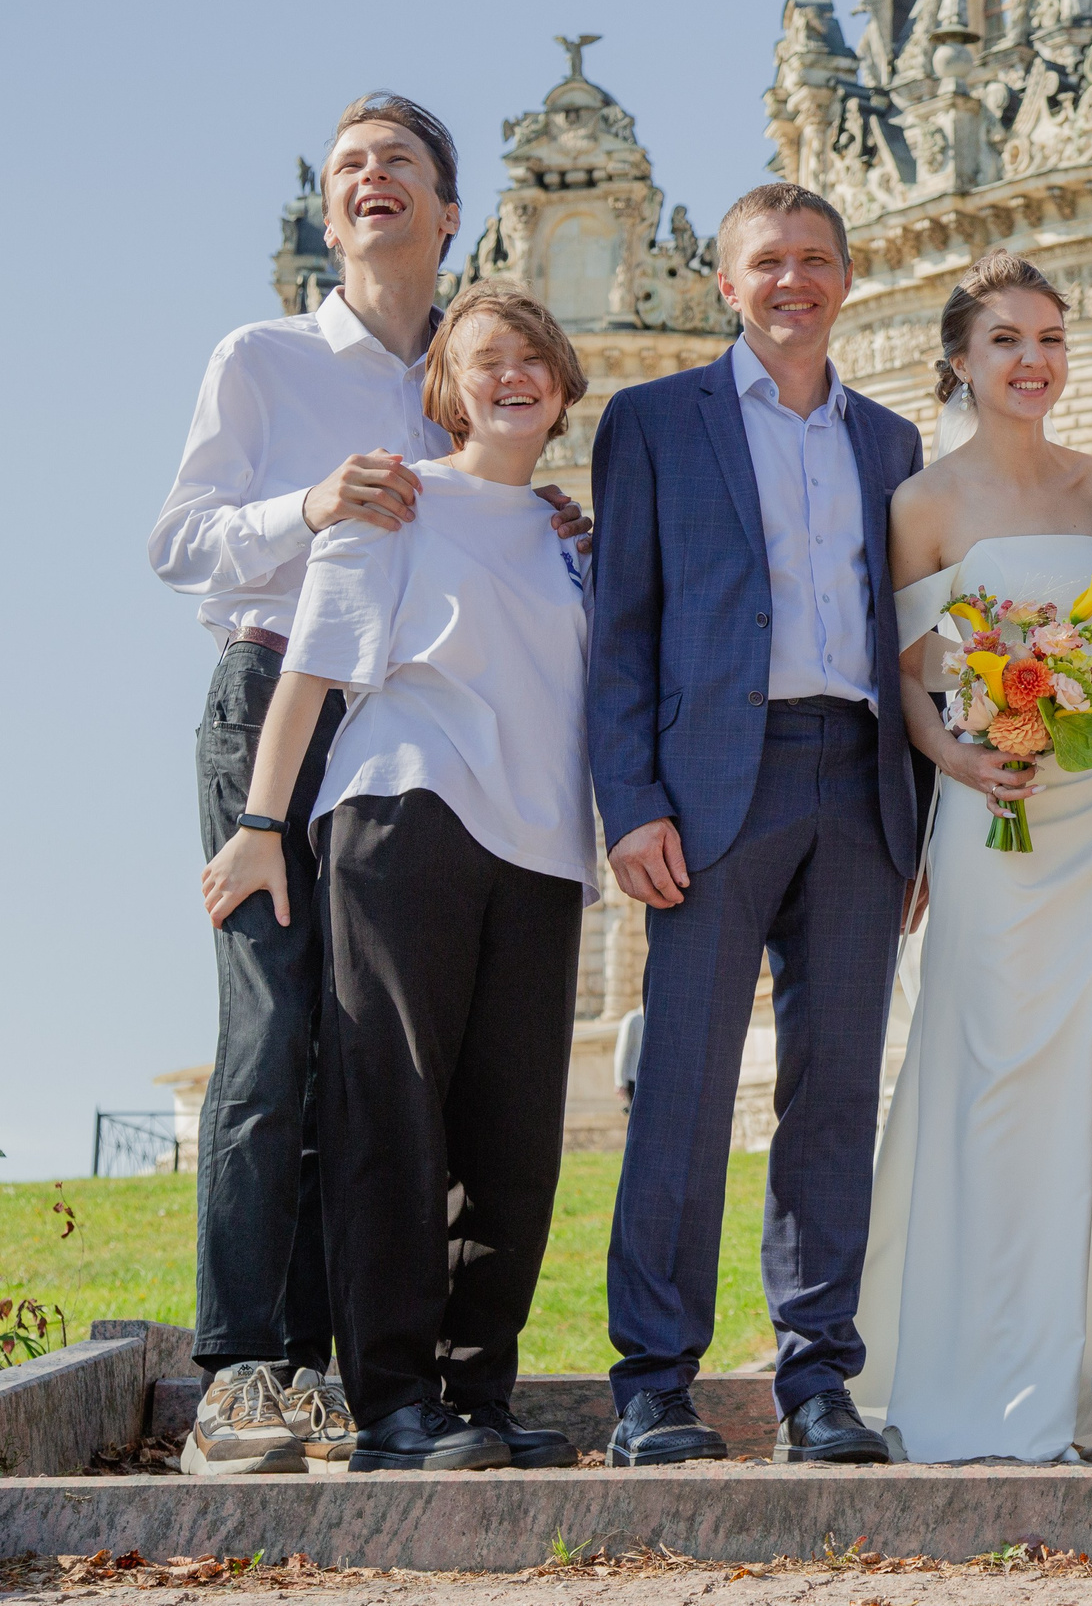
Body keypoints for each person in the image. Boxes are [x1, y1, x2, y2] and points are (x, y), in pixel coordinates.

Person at [149, 93, 587, 1477]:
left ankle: (352, 1377)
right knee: (279, 1037)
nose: (370, 181)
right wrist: (315, 505)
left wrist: (531, 501)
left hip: (425, 722)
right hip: (283, 689)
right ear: (332, 211)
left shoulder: (466, 361)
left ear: (453, 210)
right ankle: (243, 1367)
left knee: (390, 1067)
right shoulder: (267, 353)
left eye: (399, 163)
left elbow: (483, 492)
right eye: (348, 167)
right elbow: (180, 542)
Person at [848, 250, 1092, 1463]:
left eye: (1055, 339)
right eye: (1008, 339)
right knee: (998, 1085)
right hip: (994, 815)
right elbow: (909, 682)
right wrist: (958, 763)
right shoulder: (923, 502)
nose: (1035, 361)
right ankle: (991, 1356)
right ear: (960, 358)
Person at [588, 183, 923, 1469]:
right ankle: (654, 1385)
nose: (795, 282)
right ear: (726, 285)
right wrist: (632, 803)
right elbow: (619, 629)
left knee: (836, 1094)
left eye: (817, 262)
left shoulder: (891, 444)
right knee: (680, 1084)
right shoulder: (654, 421)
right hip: (715, 784)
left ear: (848, 280)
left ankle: (817, 1378)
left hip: (862, 784)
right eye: (768, 263)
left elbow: (915, 641)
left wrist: (920, 822)